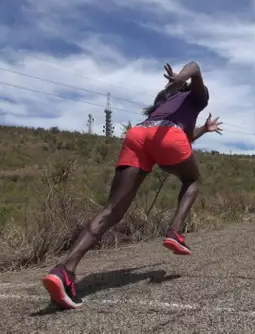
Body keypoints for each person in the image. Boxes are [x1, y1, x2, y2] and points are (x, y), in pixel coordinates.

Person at [41, 61, 223, 310]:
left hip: (139, 135)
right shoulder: (197, 97)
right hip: (167, 137)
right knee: (192, 180)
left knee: (113, 210)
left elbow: (182, 135)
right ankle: (175, 232)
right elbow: (197, 66)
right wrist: (182, 77)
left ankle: (64, 271)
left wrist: (205, 129)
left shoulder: (165, 102)